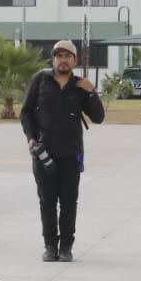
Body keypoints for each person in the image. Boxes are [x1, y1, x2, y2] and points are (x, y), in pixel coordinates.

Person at [19, 40, 104, 262]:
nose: (63, 60)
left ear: (74, 60)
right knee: (46, 201)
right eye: (59, 55)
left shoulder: (81, 86)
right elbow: (26, 112)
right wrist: (30, 138)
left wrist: (92, 92)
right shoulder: (40, 80)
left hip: (71, 153)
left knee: (68, 202)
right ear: (53, 59)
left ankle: (66, 247)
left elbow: (98, 118)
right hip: (44, 153)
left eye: (68, 56)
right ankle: (50, 246)